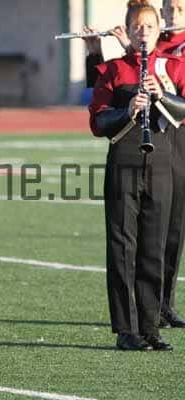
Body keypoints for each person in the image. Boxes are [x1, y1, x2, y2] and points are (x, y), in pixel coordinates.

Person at [89, 0, 185, 351]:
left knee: (153, 247)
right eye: (137, 26)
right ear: (128, 31)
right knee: (122, 246)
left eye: (149, 26)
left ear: (159, 30)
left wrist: (164, 98)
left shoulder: (173, 66)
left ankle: (150, 327)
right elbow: (98, 121)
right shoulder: (113, 71)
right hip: (124, 160)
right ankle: (126, 330)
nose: (143, 31)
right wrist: (127, 110)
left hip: (162, 161)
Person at [155, 0, 185, 328]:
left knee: (175, 227)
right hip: (153, 144)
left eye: (178, 8)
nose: (172, 14)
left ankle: (165, 304)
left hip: (182, 140)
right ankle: (146, 305)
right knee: (152, 227)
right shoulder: (149, 44)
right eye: (168, 8)